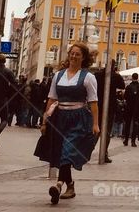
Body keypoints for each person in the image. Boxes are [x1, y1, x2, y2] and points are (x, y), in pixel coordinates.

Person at [35, 42, 99, 204]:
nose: (73, 56)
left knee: (68, 150)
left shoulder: (88, 77)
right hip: (59, 116)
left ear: (83, 57)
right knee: (60, 151)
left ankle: (58, 184)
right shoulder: (58, 75)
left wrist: (95, 124)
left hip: (78, 118)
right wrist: (44, 121)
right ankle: (69, 184)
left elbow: (93, 102)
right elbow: (51, 98)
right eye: (72, 53)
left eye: (78, 54)